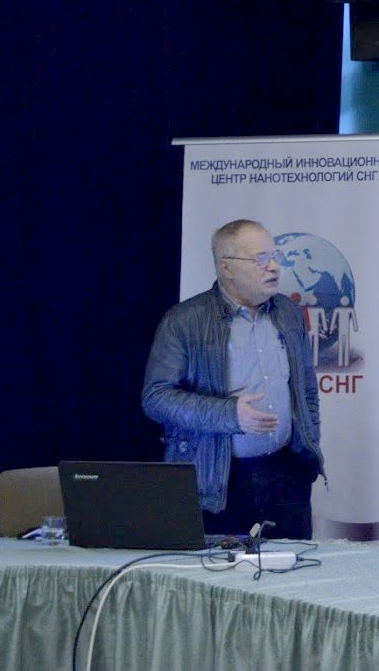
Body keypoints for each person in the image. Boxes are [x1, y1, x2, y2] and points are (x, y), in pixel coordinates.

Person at [142, 219, 323, 539]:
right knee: (223, 568)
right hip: (220, 479)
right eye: (260, 259)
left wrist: (308, 446)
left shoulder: (288, 312)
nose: (274, 267)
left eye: (275, 256)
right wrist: (229, 414)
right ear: (227, 268)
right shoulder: (183, 321)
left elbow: (306, 389)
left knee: (295, 568)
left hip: (288, 475)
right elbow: (156, 397)